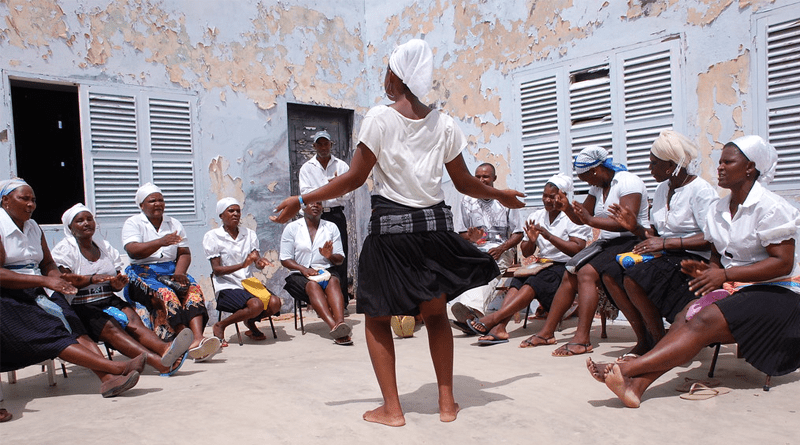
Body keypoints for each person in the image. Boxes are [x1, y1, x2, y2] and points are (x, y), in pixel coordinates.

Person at [271, 39, 524, 426]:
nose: (383, 78)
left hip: (391, 233)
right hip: (434, 231)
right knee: (436, 316)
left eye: (386, 70)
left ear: (396, 75)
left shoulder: (379, 118)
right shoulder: (445, 123)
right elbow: (464, 183)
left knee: (375, 319)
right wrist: (498, 194)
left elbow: (354, 178)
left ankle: (392, 409)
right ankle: (446, 404)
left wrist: (301, 196)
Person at [587, 135, 800, 408]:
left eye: (728, 162)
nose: (720, 167)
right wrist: (709, 270)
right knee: (684, 316)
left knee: (703, 319)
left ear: (750, 168)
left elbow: (781, 263)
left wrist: (724, 276)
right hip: (739, 288)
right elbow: (716, 252)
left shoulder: (771, 207)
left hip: (778, 293)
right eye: (720, 161)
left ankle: (629, 370)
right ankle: (636, 387)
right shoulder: (721, 208)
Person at [0, 179, 143, 399]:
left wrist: (59, 279)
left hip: (38, 289)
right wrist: (46, 282)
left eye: (33, 200)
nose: (31, 204)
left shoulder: (33, 227)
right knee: (51, 331)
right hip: (8, 296)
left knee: (74, 324)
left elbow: (47, 264)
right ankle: (116, 368)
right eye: (24, 198)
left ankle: (107, 379)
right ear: (5, 201)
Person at [518, 145, 649, 356]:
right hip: (608, 242)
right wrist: (567, 208)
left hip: (631, 240)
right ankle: (547, 332)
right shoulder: (597, 188)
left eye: (585, 176)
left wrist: (590, 219)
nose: (584, 181)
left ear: (595, 170)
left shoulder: (628, 182)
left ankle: (582, 339)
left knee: (586, 273)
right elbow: (583, 218)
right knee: (571, 270)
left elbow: (627, 223)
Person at [605, 130, 718, 358]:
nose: (650, 169)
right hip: (668, 254)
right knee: (610, 272)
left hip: (694, 257)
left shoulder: (701, 191)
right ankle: (646, 337)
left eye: (654, 164)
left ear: (670, 166)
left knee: (634, 278)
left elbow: (710, 238)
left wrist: (666, 243)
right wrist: (634, 228)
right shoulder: (662, 189)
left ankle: (658, 341)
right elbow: (655, 234)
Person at [52, 203, 193, 376]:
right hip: (82, 305)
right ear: (70, 227)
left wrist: (116, 284)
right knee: (112, 328)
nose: (86, 223)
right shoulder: (64, 250)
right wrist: (92, 279)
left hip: (107, 298)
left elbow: (115, 275)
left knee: (133, 320)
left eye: (89, 219)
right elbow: (66, 281)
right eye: (80, 221)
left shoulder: (103, 246)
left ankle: (165, 349)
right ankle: (158, 363)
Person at [465, 173, 591, 345]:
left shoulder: (573, 218)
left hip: (565, 266)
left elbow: (576, 249)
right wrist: (531, 241)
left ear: (565, 196)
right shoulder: (538, 216)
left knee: (535, 281)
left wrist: (549, 236)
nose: (547, 200)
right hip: (543, 264)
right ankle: (500, 327)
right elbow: (525, 252)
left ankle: (494, 319)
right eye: (544, 196)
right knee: (518, 280)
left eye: (552, 197)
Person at [122, 183, 220, 361]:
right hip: (142, 272)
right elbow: (133, 250)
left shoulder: (174, 223)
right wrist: (161, 242)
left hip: (171, 269)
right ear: (141, 205)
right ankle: (184, 337)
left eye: (160, 200)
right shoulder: (133, 223)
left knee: (193, 290)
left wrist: (180, 273)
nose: (158, 204)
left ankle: (198, 337)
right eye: (152, 201)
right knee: (166, 294)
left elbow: (184, 253)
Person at [449, 162, 523, 325]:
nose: (481, 180)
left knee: (488, 264)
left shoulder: (505, 200)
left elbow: (518, 233)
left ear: (494, 178)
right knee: (471, 265)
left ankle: (472, 312)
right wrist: (471, 238)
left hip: (500, 250)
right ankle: (472, 316)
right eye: (478, 177)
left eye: (485, 177)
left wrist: (501, 248)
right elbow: (461, 233)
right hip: (476, 250)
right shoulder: (467, 200)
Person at [203, 197, 282, 343]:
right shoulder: (212, 237)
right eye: (231, 211)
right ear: (221, 215)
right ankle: (221, 325)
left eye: (238, 211)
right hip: (227, 285)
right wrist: (242, 265)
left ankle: (250, 322)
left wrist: (260, 262)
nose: (235, 214)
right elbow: (217, 270)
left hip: (247, 282)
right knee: (256, 304)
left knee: (275, 303)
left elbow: (255, 259)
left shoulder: (249, 234)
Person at [279, 200, 351, 345]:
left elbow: (339, 259)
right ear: (302, 208)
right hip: (299, 274)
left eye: (318, 203)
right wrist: (303, 269)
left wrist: (329, 256)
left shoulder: (331, 227)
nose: (315, 205)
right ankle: (334, 327)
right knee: (313, 286)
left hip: (325, 270)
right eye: (310, 203)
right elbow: (285, 259)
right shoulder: (292, 228)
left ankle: (340, 323)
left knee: (334, 281)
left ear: (322, 208)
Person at [299, 130, 351, 307]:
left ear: (331, 145)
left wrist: (328, 191)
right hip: (314, 217)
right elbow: (306, 195)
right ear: (314, 146)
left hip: (335, 214)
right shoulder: (307, 168)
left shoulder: (342, 166)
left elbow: (348, 195)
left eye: (326, 143)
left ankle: (341, 301)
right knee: (315, 255)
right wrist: (331, 188)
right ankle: (319, 301)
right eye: (319, 144)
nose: (323, 147)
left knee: (339, 256)